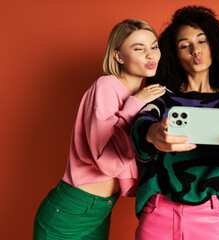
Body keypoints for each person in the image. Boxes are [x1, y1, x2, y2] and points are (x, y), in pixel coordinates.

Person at [130, 6, 219, 240]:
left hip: (212, 218)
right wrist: (152, 134)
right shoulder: (160, 99)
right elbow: (139, 127)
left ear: (215, 44)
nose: (195, 50)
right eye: (184, 45)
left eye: (202, 41)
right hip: (157, 212)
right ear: (173, 56)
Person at [32, 19, 165, 240]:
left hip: (100, 211)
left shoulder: (142, 94)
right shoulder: (107, 86)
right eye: (138, 49)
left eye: (154, 46)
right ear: (119, 56)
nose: (150, 55)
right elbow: (106, 160)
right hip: (70, 212)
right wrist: (135, 105)